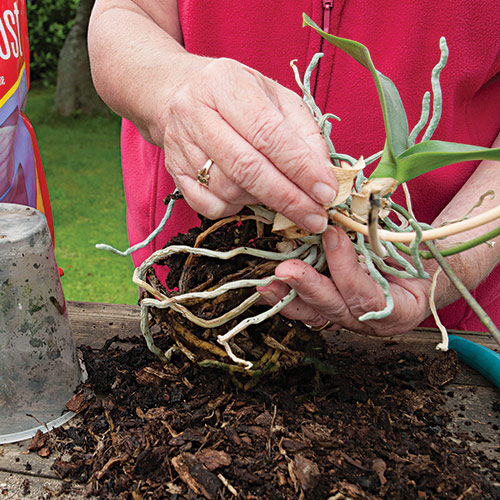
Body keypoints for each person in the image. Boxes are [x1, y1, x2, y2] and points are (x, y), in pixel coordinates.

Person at [88, 0, 500, 335]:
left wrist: (444, 268)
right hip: (196, 292)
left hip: (438, 320)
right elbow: (123, 15)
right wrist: (172, 90)